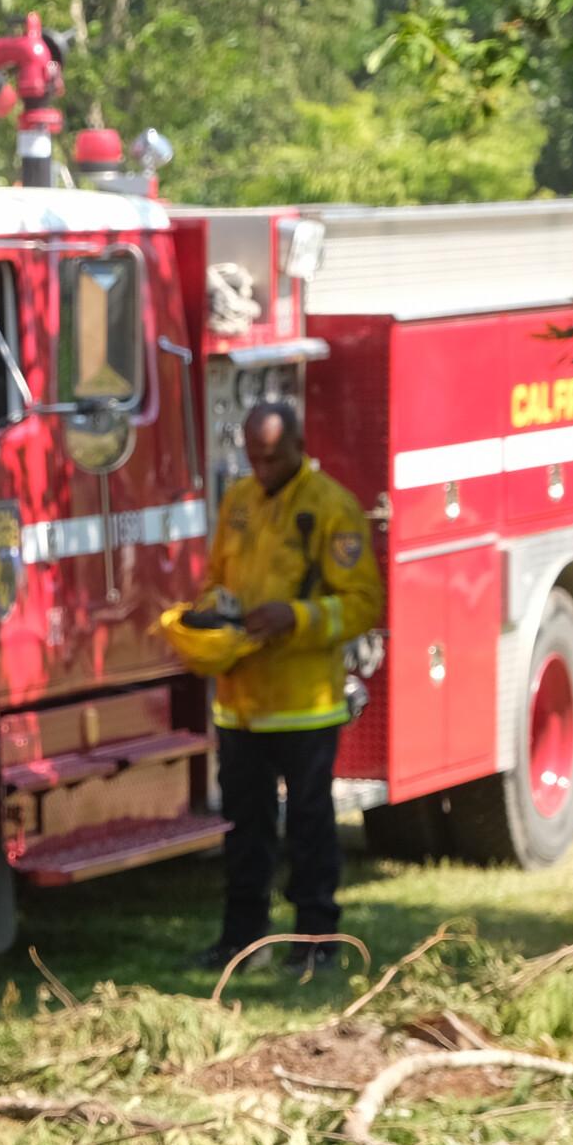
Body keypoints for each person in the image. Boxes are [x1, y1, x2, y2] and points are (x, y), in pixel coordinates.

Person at [188, 401, 381, 975]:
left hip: (305, 708)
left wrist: (297, 618)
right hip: (241, 704)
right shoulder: (241, 501)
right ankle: (241, 942)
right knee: (244, 834)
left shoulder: (330, 507)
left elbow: (364, 602)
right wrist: (207, 621)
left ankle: (318, 941)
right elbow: (216, 581)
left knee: (310, 830)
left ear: (298, 446)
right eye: (253, 457)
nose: (262, 468)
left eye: (272, 457)